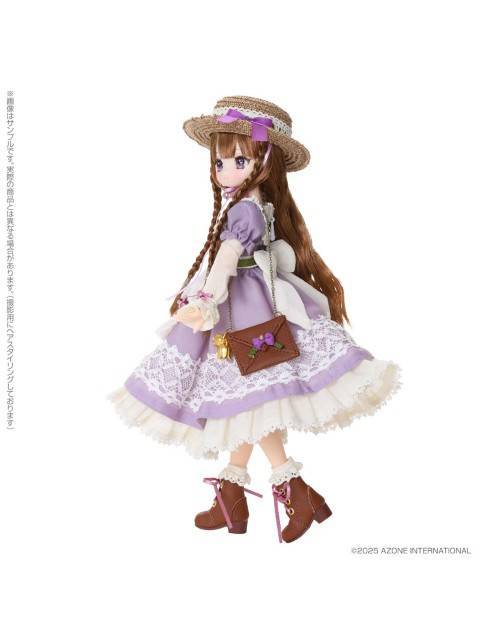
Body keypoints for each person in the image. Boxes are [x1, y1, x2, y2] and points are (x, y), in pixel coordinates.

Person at [107, 95, 402, 543]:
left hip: (242, 312)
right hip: (248, 307)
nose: (225, 171)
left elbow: (227, 259)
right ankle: (233, 495)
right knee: (247, 403)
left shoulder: (245, 210)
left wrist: (205, 300)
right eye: (220, 162)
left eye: (238, 161)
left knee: (253, 402)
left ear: (264, 163)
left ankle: (293, 486)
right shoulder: (249, 205)